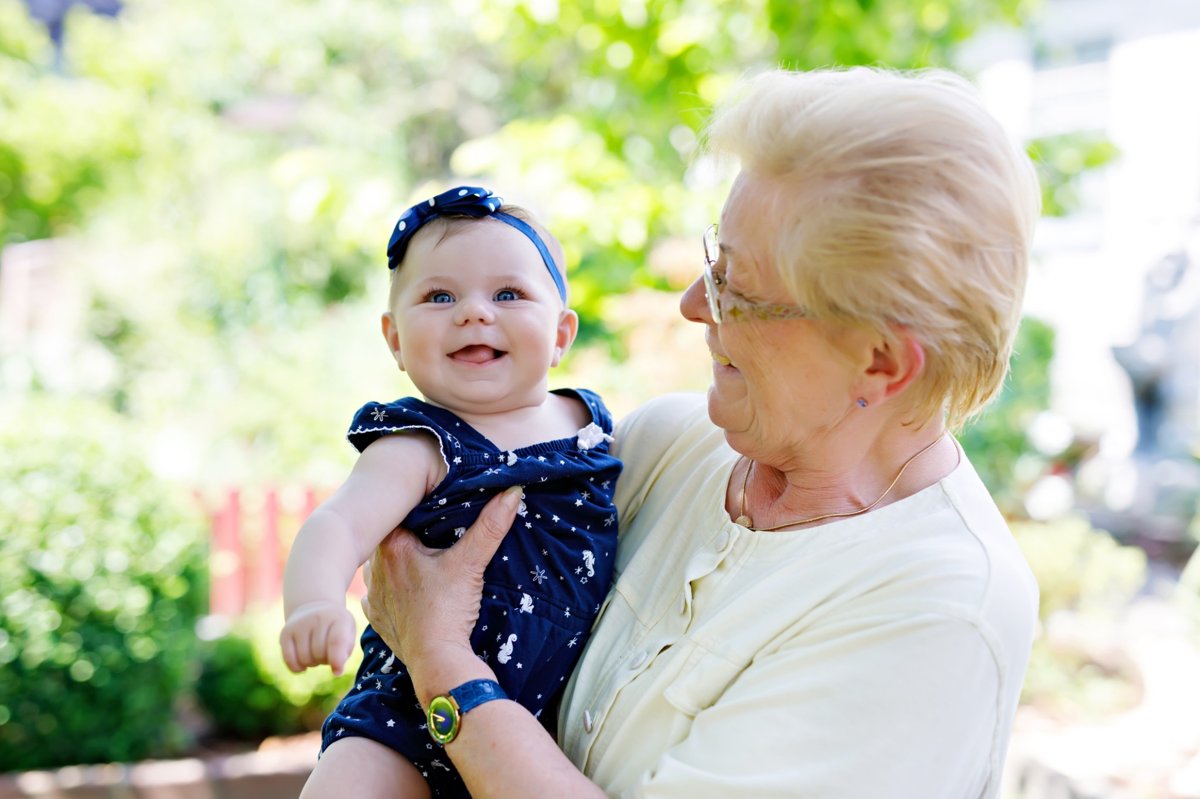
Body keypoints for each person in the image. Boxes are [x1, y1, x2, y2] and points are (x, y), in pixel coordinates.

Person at [359, 65, 1042, 798]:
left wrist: (440, 663)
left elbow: (429, 623)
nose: (691, 304)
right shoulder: (659, 445)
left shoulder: (936, 612)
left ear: (880, 362)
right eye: (711, 258)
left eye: (734, 288)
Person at [280, 185, 622, 799]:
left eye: (508, 294)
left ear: (562, 333)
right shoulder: (420, 445)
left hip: (540, 728)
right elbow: (338, 526)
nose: (474, 312)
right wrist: (313, 602)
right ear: (394, 339)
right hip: (404, 723)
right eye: (440, 296)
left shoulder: (590, 424)